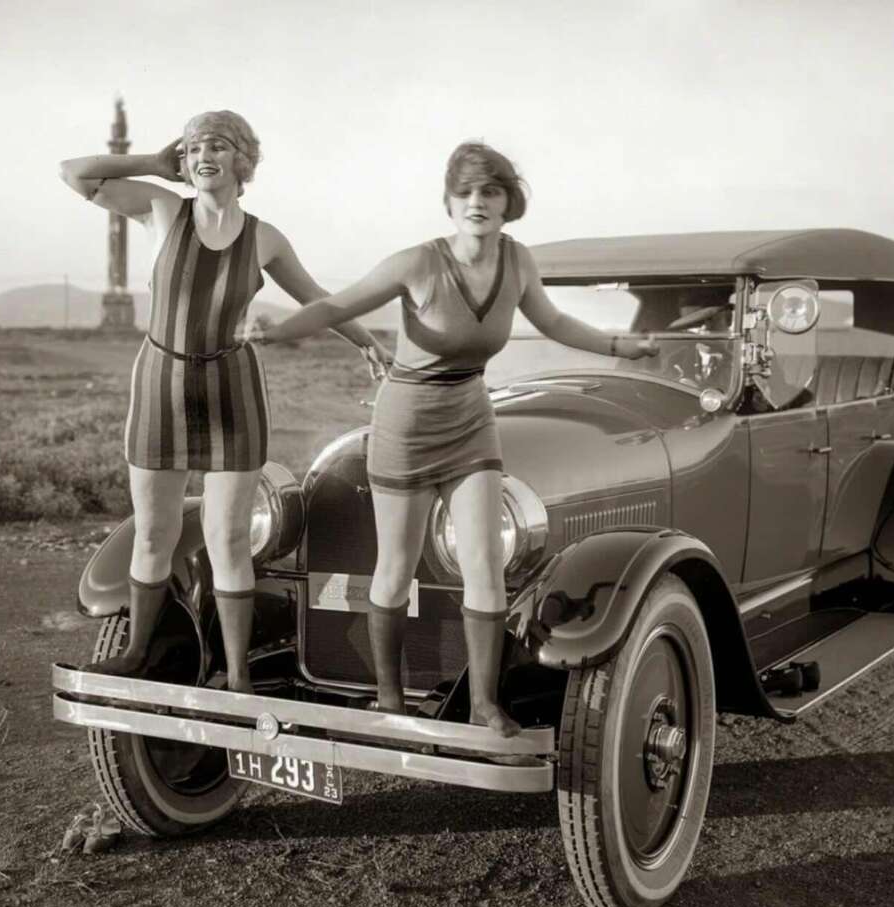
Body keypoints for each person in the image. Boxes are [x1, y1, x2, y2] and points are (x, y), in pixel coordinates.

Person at [250, 141, 654, 734]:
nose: (477, 202)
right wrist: (280, 331)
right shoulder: (416, 263)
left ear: (507, 201)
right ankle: (388, 699)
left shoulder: (516, 263)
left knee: (485, 561)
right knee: (396, 567)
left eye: (490, 191)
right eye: (464, 192)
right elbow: (337, 304)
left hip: (471, 418)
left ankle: (486, 704)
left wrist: (621, 347)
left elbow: (556, 322)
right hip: (407, 422)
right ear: (448, 202)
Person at [59, 110, 386, 692]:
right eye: (191, 148)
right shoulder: (162, 209)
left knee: (230, 538)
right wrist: (151, 164)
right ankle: (138, 654)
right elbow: (74, 173)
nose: (202, 155)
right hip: (160, 383)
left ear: (243, 160)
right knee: (155, 532)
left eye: (217, 145)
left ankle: (236, 677)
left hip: (233, 391)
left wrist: (366, 342)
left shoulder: (264, 237)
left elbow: (317, 299)